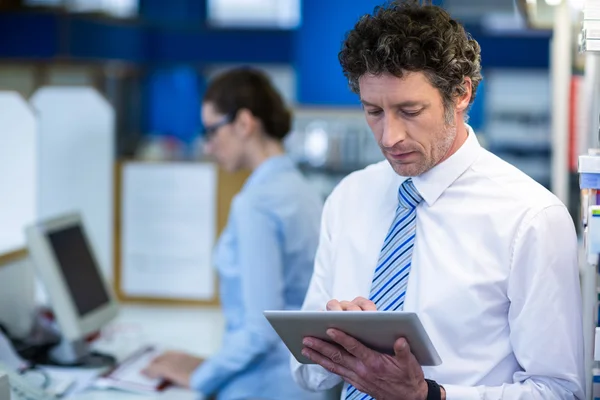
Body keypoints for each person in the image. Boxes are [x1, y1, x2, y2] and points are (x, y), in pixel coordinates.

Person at [291, 1, 585, 400]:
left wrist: (431, 396)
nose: (388, 136)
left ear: (461, 93)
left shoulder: (530, 218)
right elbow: (306, 375)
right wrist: (337, 348)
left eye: (409, 110)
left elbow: (560, 391)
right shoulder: (349, 198)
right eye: (373, 111)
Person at [143, 67, 326, 400]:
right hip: (299, 383)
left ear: (244, 123)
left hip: (263, 385)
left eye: (212, 130)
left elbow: (260, 332)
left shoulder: (256, 203)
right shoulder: (301, 189)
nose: (209, 146)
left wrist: (201, 375)